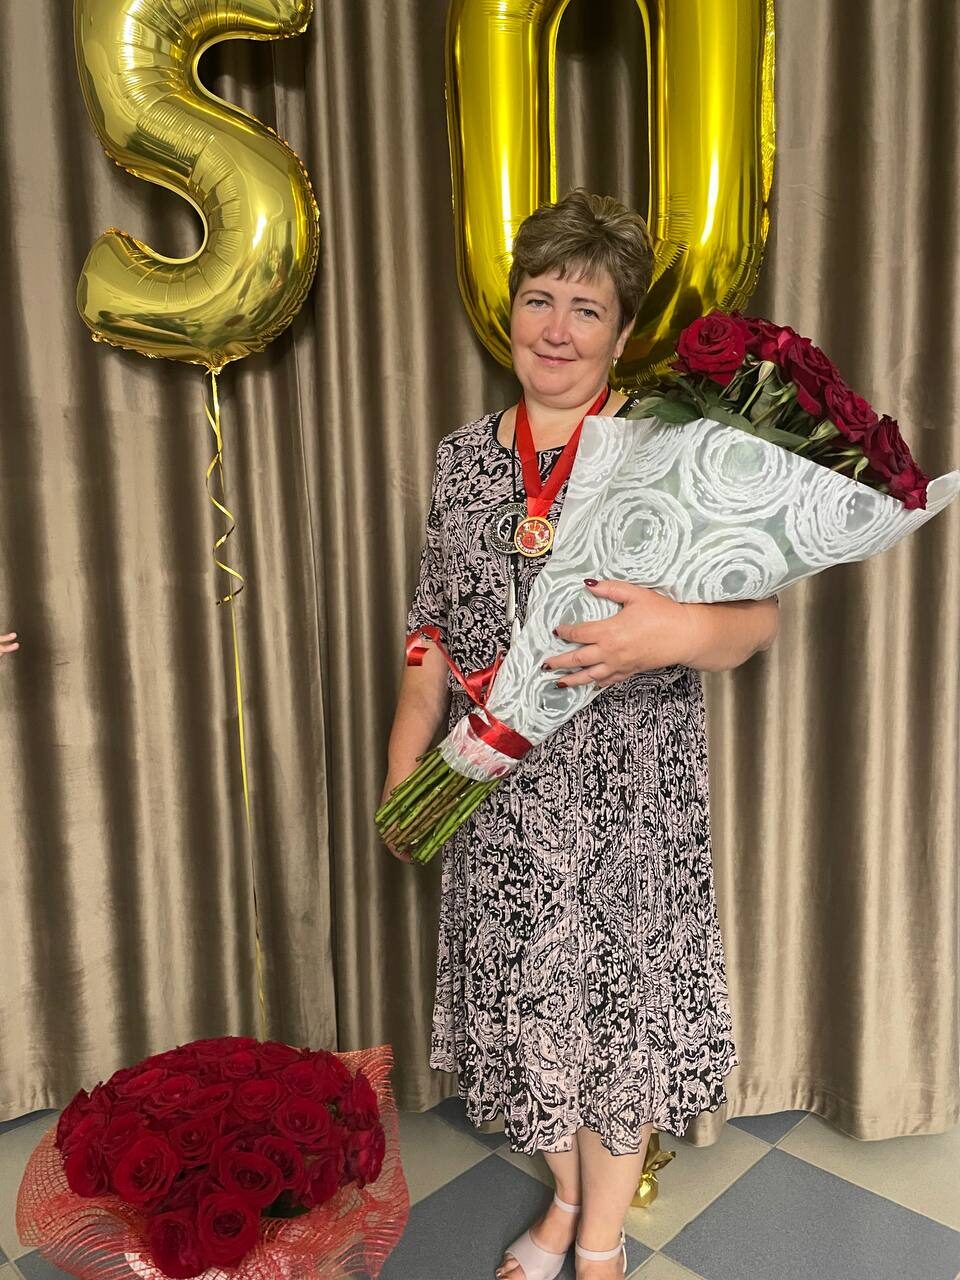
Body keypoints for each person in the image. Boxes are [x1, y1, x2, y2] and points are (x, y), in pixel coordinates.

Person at [381, 190, 779, 1280]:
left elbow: (757, 621)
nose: (556, 328)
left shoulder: (670, 448)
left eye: (587, 308)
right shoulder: (461, 459)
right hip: (493, 793)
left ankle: (599, 1245)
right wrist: (406, 754)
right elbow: (432, 627)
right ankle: (565, 1194)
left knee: (616, 1029)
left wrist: (677, 629)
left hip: (629, 798)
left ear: (622, 330)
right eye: (539, 298)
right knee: (526, 1019)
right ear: (510, 308)